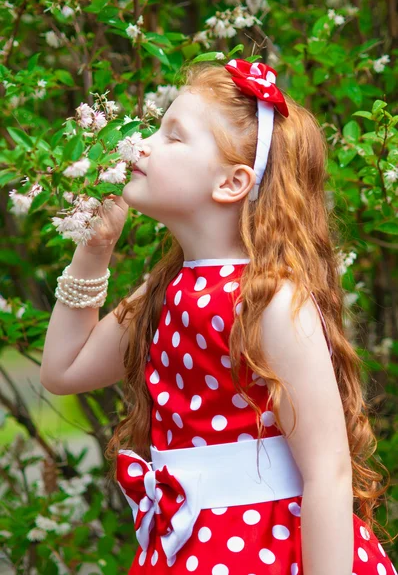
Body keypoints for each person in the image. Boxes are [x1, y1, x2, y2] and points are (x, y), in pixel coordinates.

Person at [40, 58, 397, 575]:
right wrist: (94, 249)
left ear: (232, 183)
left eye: (173, 137)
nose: (142, 145)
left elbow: (328, 471)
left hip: (268, 548)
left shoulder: (271, 302)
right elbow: (63, 371)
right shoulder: (164, 291)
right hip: (188, 547)